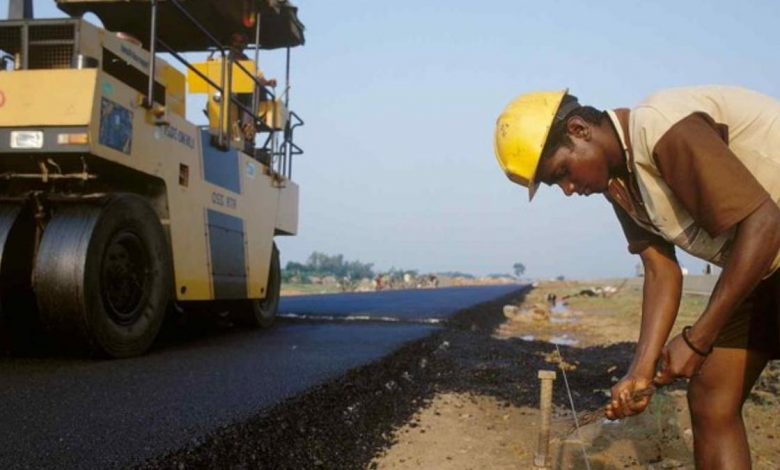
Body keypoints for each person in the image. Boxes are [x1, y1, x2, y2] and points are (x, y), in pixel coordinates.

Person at [493, 86, 780, 469]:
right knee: (712, 396)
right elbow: (661, 270)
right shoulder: (620, 185)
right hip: (763, 263)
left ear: (579, 129)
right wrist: (639, 373)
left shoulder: (661, 128)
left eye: (563, 172)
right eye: (555, 184)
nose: (567, 190)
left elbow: (764, 222)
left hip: (766, 239)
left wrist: (697, 341)